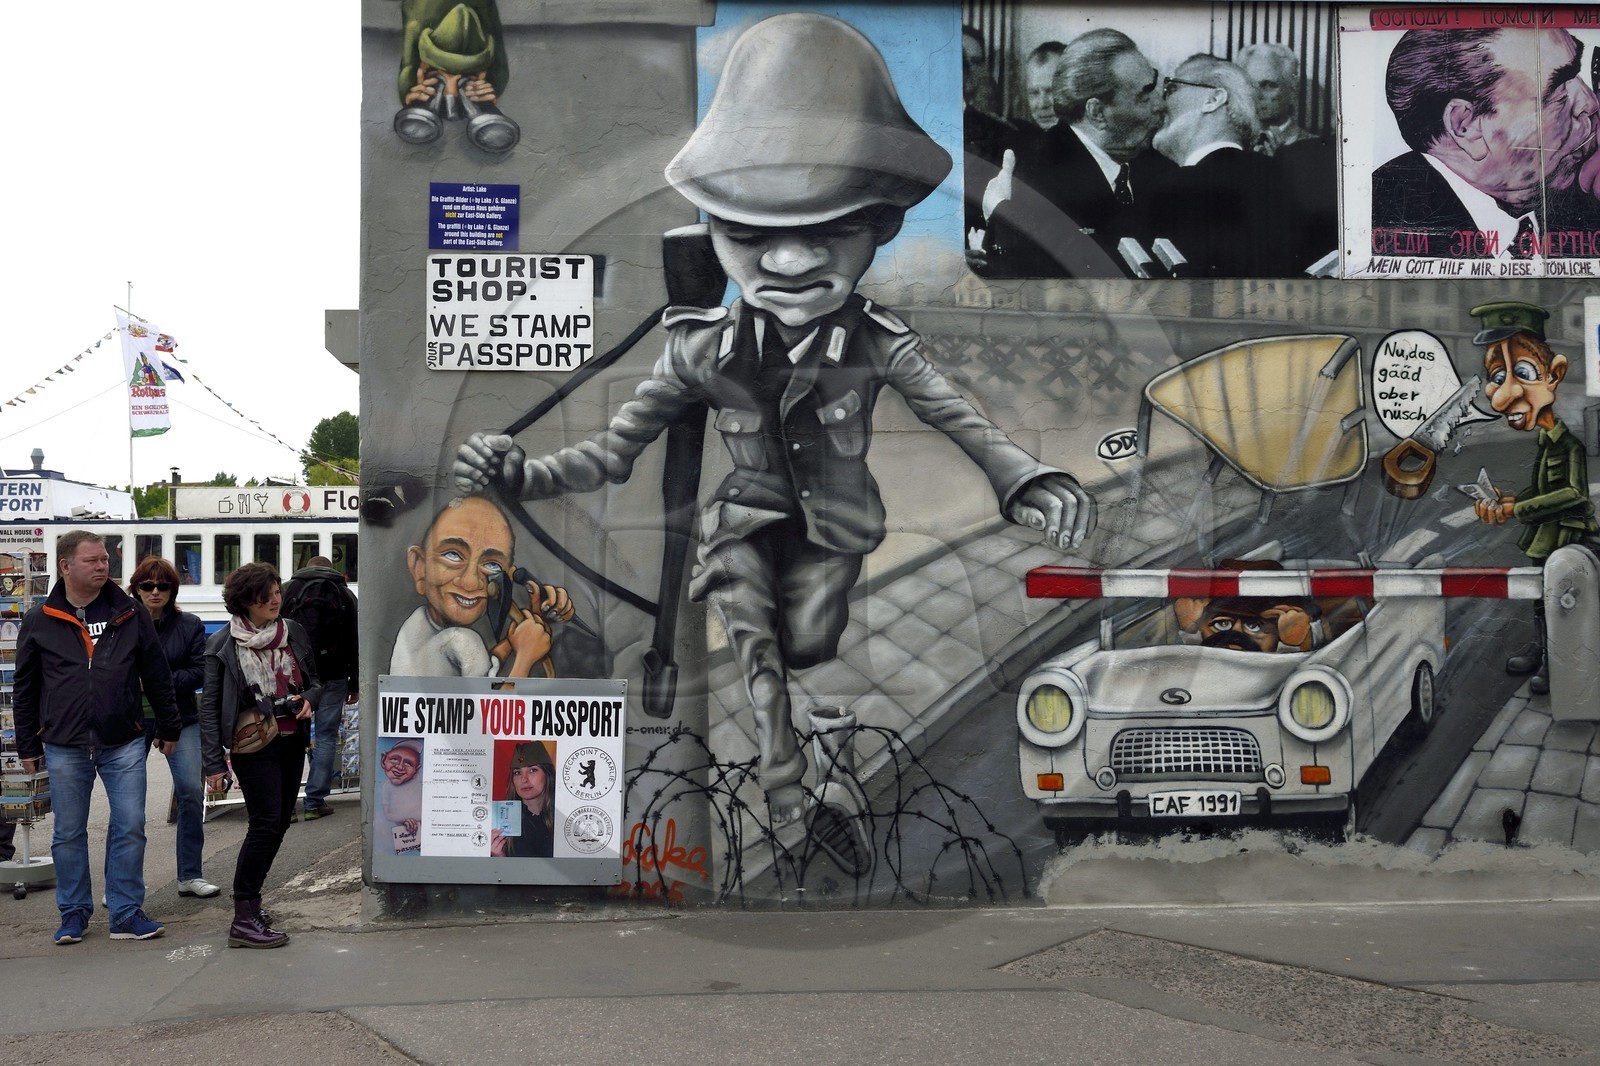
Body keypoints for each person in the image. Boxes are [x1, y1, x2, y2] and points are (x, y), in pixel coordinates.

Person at [455, 12, 1096, 827]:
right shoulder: (699, 351)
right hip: (743, 526)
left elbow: (954, 414)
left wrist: (1025, 474)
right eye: (754, 235)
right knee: (758, 657)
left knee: (805, 653)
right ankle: (787, 779)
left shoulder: (874, 342)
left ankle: (820, 742)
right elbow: (613, 452)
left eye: (830, 233)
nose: (790, 263)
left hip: (835, 539)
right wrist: (519, 473)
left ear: (883, 227)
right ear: (712, 234)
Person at [12, 530, 181, 945]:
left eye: (105, 559)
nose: (103, 566)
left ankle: (124, 912)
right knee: (68, 832)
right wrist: (27, 746)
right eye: (92, 560)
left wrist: (170, 724)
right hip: (64, 744)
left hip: (123, 739)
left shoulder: (130, 612)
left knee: (130, 826)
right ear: (66, 566)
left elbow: (156, 673)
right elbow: (25, 688)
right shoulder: (39, 620)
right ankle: (73, 914)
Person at [1372, 28, 1600, 259]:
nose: (1590, 103)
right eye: (1558, 91)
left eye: (1576, 74)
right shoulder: (1381, 220)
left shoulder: (1581, 200)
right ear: (1465, 125)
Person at [1470, 301, 1599, 695]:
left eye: (1523, 373)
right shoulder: (1545, 441)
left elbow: (1574, 493)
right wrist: (1509, 503)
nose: (1503, 393)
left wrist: (1520, 508)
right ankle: (1541, 647)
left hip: (1568, 538)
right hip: (1547, 535)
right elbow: (1543, 489)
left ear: (1554, 375)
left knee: (1563, 601)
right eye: (1497, 375)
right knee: (1542, 599)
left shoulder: (1567, 444)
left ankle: (1557, 660)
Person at [976, 28, 1174, 277]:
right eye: (1143, 96)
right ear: (1097, 113)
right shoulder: (1036, 181)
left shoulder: (1162, 171)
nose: (1160, 105)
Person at [200, 563, 320, 949]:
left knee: (281, 821)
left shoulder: (294, 633)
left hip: (291, 740)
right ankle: (243, 915)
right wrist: (213, 764)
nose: (273, 600)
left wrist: (310, 700)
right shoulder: (223, 644)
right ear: (244, 601)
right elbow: (210, 708)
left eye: (276, 592)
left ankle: (252, 904)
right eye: (263, 595)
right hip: (253, 746)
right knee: (265, 823)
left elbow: (316, 681)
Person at [1143, 54, 1297, 277]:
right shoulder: (1284, 178)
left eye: (1171, 89)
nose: (1159, 104)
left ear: (1213, 99)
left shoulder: (1173, 188)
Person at [389, 496, 572, 677]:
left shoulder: (418, 626)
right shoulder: (462, 641)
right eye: (453, 555)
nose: (471, 582)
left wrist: (527, 630)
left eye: (492, 565)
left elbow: (483, 670)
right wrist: (525, 657)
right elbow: (488, 704)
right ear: (419, 567)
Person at [128, 556, 219, 898]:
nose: (155, 592)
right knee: (128, 803)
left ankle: (190, 874)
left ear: (172, 590)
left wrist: (155, 681)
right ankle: (121, 882)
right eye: (147, 585)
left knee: (191, 793)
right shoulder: (122, 623)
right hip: (133, 718)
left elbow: (200, 672)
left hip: (181, 716)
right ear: (135, 588)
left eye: (163, 586)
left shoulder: (190, 624)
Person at [280, 555, 359, 820]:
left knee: (289, 735)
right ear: (331, 569)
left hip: (296, 676)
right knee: (325, 736)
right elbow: (355, 641)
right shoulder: (345, 594)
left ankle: (288, 806)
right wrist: (355, 682)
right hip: (335, 675)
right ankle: (314, 802)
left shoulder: (288, 590)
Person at [491, 741, 555, 858]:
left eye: (532, 770)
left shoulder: (563, 819)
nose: (524, 779)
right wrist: (498, 858)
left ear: (547, 775)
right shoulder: (499, 822)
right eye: (517, 772)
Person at [378, 738, 424, 854]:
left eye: (408, 763)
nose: (399, 767)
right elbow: (388, 814)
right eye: (394, 759)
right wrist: (404, 820)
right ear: (383, 760)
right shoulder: (386, 787)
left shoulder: (420, 783)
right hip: (403, 835)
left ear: (416, 770)